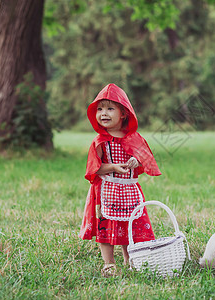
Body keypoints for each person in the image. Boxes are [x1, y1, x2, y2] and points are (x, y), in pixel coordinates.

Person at [78, 83, 161, 277]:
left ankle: (129, 258)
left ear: (123, 113)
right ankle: (109, 263)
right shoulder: (100, 141)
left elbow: (145, 159)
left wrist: (136, 160)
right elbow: (95, 167)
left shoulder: (134, 138)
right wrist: (113, 167)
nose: (103, 113)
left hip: (129, 190)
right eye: (99, 109)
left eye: (109, 108)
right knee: (105, 226)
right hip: (107, 190)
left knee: (128, 226)